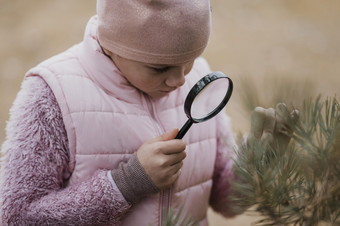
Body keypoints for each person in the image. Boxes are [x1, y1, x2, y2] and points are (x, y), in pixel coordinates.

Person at [0, 0, 297, 225]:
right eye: (160, 68)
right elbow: (15, 216)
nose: (180, 80)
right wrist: (127, 183)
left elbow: (226, 202)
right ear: (113, 43)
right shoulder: (53, 94)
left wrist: (259, 160)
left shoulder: (199, 82)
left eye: (189, 60)